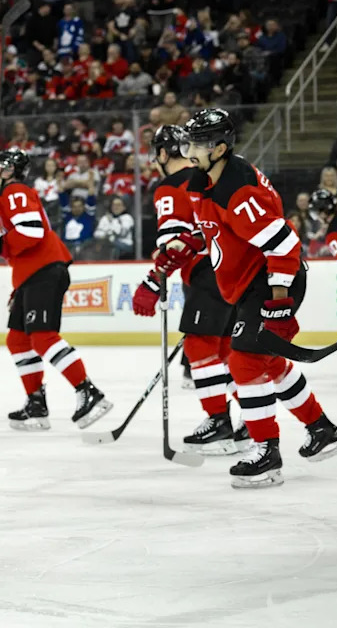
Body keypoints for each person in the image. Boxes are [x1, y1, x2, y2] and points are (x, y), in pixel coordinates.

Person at [161, 109, 337, 488]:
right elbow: (220, 231)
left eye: (197, 143)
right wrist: (188, 245)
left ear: (219, 148)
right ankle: (322, 429)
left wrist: (278, 303)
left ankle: (267, 451)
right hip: (251, 282)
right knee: (271, 364)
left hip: (271, 280)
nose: (189, 149)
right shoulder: (206, 181)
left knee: (244, 362)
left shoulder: (237, 188)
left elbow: (283, 243)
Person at [131, 125, 248, 455]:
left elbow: (176, 243)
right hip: (237, 270)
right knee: (224, 353)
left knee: (199, 348)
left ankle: (219, 423)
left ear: (164, 153)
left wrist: (153, 281)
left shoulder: (170, 186)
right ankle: (252, 421)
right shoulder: (213, 175)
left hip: (208, 272)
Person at [0, 148, 112, 431]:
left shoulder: (15, 191)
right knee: (18, 341)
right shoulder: (5, 196)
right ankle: (36, 405)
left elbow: (32, 232)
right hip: (31, 274)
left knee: (43, 337)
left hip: (43, 270)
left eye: (2, 168)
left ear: (13, 172)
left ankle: (89, 392)